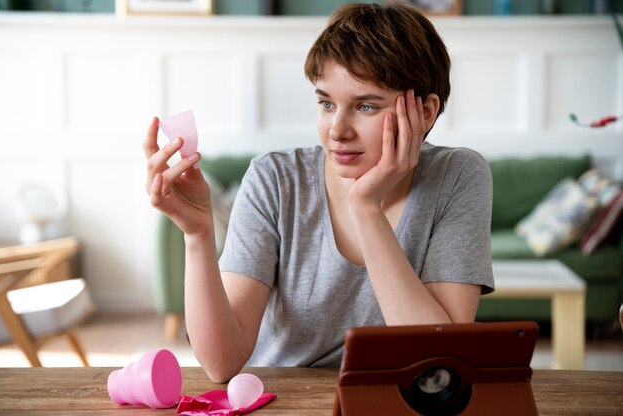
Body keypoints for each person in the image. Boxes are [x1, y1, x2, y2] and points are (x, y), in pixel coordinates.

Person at [143, 1, 494, 383]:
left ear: (425, 112)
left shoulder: (459, 176)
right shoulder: (274, 179)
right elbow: (220, 364)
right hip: (283, 401)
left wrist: (366, 206)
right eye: (326, 103)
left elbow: (437, 359)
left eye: (365, 106)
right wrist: (198, 234)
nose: (337, 130)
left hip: (396, 400)